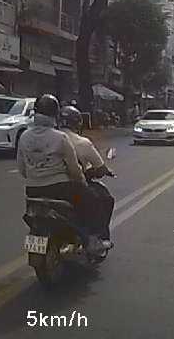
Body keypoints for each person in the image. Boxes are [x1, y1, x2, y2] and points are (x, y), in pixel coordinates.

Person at [16, 95, 108, 253]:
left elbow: (22, 168)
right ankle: (93, 240)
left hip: (32, 190)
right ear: (55, 115)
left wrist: (36, 176)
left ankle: (41, 247)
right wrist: (82, 185)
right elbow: (74, 170)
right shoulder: (60, 138)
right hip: (62, 190)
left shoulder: (24, 136)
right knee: (92, 200)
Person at [59, 105, 114, 246]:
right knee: (103, 199)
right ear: (77, 123)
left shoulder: (47, 138)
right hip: (72, 189)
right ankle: (99, 238)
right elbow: (96, 168)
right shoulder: (80, 142)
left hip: (42, 187)